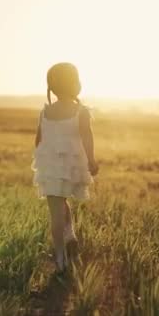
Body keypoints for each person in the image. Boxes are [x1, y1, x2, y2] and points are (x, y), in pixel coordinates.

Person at [32, 63, 99, 272]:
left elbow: (38, 140)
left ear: (51, 88)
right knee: (63, 203)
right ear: (76, 85)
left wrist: (46, 158)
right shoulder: (81, 111)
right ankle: (68, 239)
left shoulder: (45, 112)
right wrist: (91, 160)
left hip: (51, 167)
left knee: (56, 210)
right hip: (71, 166)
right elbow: (87, 137)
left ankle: (60, 256)